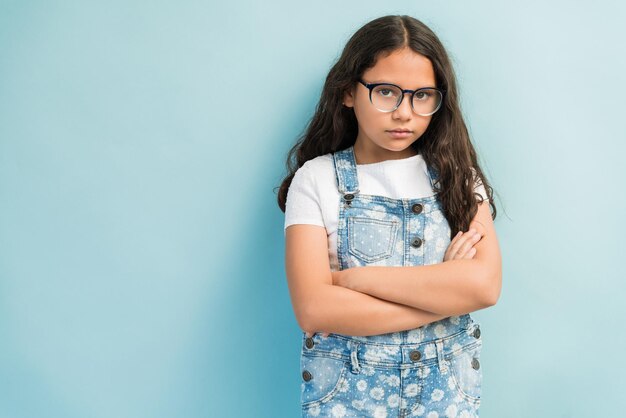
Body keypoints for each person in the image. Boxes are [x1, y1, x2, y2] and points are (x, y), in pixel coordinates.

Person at [276, 14, 502, 418]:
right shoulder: (318, 179)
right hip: (348, 398)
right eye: (386, 92)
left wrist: (356, 281)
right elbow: (314, 309)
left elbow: (483, 287)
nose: (404, 113)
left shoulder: (458, 178)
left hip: (445, 395)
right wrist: (443, 294)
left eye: (422, 95)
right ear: (348, 92)